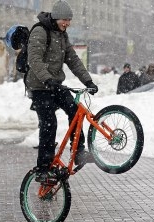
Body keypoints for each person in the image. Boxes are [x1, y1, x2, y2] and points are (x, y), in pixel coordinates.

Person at [25, 0, 99, 182]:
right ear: (56, 18)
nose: (67, 23)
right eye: (64, 20)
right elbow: (34, 60)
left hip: (55, 85)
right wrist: (47, 78)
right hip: (40, 86)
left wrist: (88, 80)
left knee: (75, 111)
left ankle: (79, 150)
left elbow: (73, 59)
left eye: (69, 20)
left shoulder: (62, 35)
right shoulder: (40, 31)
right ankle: (43, 169)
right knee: (49, 122)